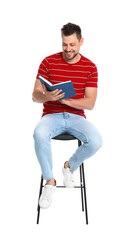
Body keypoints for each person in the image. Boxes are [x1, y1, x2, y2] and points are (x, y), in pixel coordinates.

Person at [32, 23, 103, 209]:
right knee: (39, 134)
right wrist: (47, 96)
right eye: (64, 44)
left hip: (77, 117)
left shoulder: (90, 67)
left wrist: (66, 101)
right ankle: (49, 181)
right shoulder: (48, 62)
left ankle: (69, 166)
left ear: (81, 42)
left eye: (72, 44)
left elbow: (90, 103)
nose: (68, 49)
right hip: (51, 115)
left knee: (96, 140)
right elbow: (35, 95)